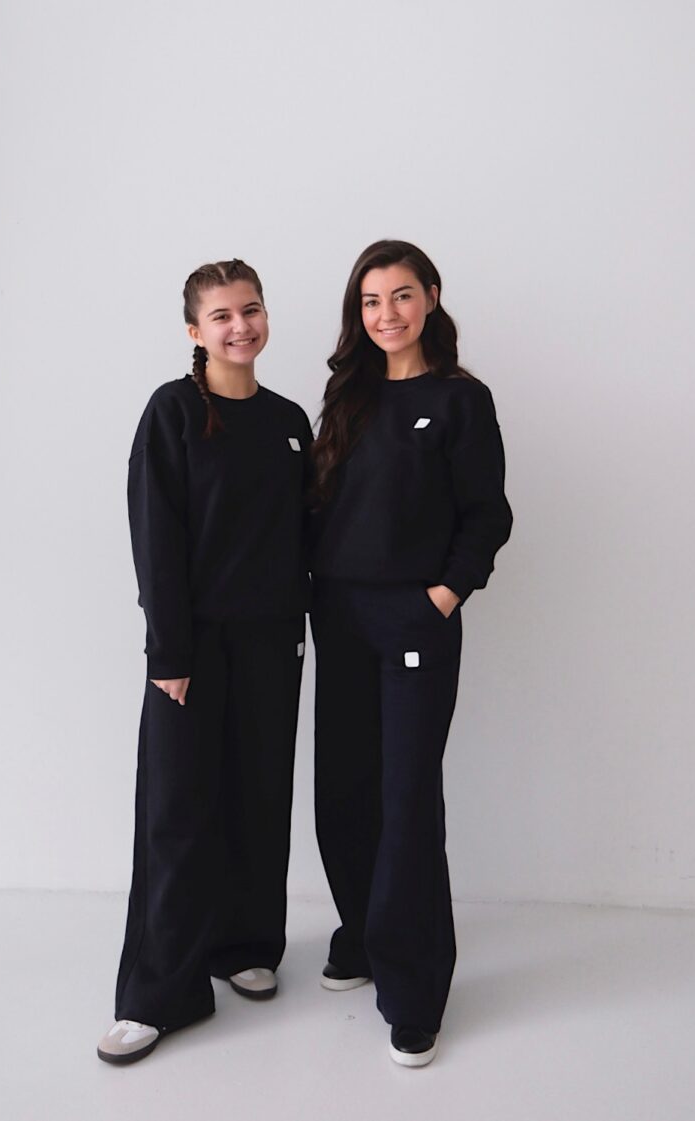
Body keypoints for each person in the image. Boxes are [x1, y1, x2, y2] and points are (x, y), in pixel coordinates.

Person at [97, 259, 314, 1064]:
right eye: (221, 315)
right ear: (195, 330)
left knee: (259, 795)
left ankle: (246, 943)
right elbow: (156, 534)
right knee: (177, 811)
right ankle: (158, 992)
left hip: (274, 641)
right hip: (191, 647)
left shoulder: (289, 420)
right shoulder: (174, 412)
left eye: (250, 310)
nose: (239, 326)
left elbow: (309, 532)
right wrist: (170, 649)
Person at [309, 239, 512, 1067]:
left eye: (400, 295)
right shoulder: (348, 395)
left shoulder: (461, 399)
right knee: (342, 789)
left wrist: (441, 596)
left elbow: (488, 515)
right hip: (339, 617)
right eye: (370, 300)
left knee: (406, 799)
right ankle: (363, 932)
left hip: (413, 621)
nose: (385, 313)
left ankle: (414, 987)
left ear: (430, 295)